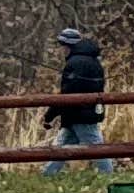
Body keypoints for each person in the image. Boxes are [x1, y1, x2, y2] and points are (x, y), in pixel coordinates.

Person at [43, 24, 106, 169]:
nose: (61, 49)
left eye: (62, 46)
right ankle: (48, 175)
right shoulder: (93, 60)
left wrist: (50, 114)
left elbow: (67, 93)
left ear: (67, 46)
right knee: (61, 147)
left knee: (97, 149)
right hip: (81, 113)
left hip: (80, 114)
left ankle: (109, 176)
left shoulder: (75, 63)